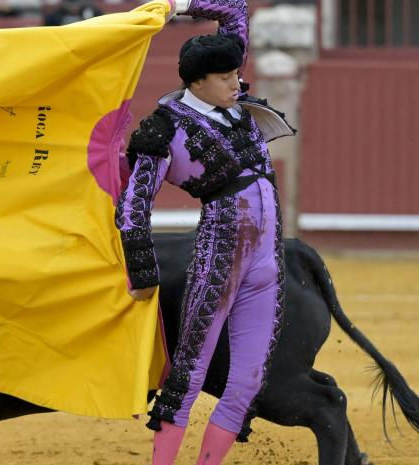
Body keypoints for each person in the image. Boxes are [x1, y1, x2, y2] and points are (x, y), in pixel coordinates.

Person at [114, 0, 291, 463]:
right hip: (219, 260)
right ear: (196, 83)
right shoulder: (165, 128)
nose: (237, 82)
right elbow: (133, 205)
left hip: (267, 262)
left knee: (248, 383)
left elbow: (233, 9)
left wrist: (179, 5)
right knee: (187, 378)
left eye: (236, 73)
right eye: (225, 77)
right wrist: (142, 273)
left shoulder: (234, 104)